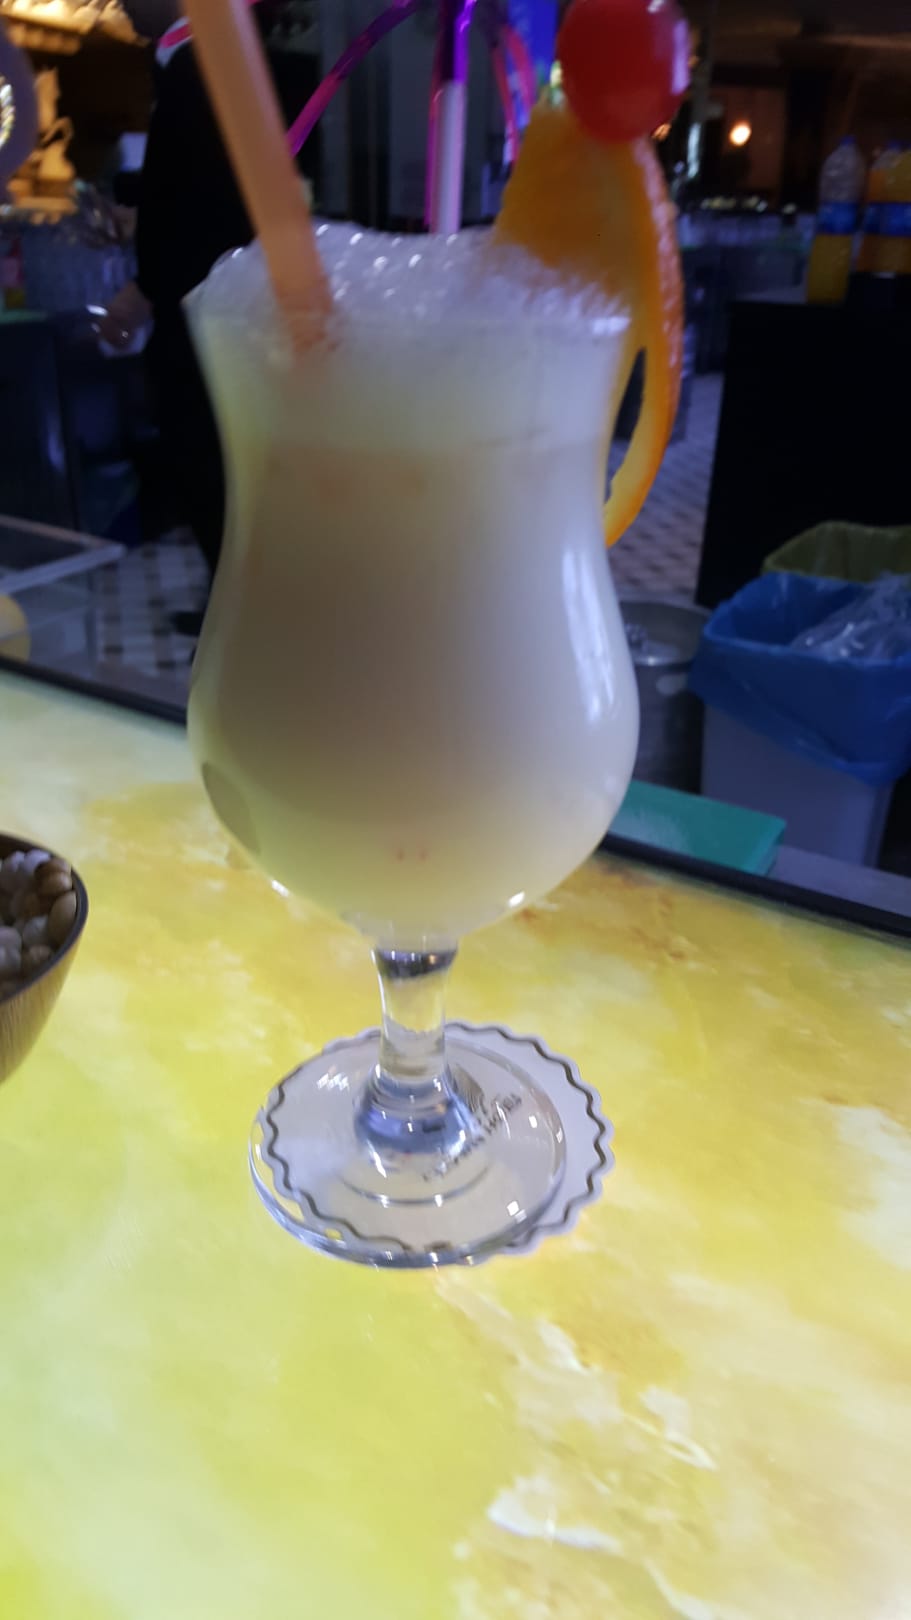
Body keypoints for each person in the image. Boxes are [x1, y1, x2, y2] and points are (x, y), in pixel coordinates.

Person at [108, 0, 318, 621]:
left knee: (209, 458)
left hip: (206, 309)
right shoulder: (204, 61)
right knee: (223, 460)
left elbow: (199, 204)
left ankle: (244, 609)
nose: (118, 3)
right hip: (226, 301)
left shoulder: (202, 64)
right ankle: (246, 606)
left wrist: (146, 284)